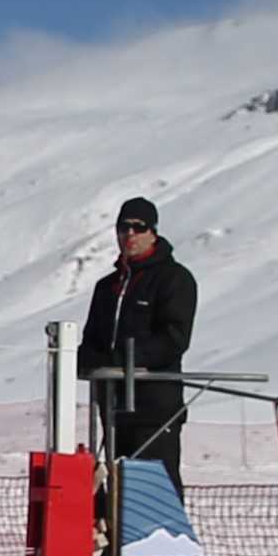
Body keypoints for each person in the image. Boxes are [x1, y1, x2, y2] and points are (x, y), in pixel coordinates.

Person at [77, 195, 199, 471]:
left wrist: (123, 359)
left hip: (154, 407)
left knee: (153, 489)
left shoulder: (174, 279)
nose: (129, 234)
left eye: (138, 227)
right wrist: (87, 362)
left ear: (153, 232)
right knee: (116, 487)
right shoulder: (108, 287)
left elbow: (174, 338)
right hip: (113, 406)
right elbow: (92, 339)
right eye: (123, 228)